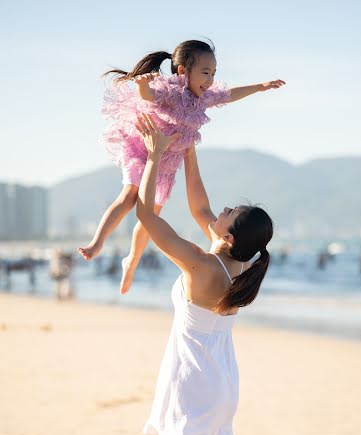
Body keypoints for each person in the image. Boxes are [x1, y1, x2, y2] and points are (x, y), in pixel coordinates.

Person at [134, 115, 273, 435]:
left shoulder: (201, 263)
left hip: (191, 384)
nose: (220, 210)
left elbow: (148, 219)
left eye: (227, 213)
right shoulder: (239, 265)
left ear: (227, 234)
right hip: (223, 385)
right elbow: (200, 203)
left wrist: (153, 158)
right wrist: (188, 148)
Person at [77, 39, 284, 295]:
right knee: (130, 196)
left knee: (151, 215)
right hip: (145, 151)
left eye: (214, 73)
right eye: (205, 73)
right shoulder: (172, 90)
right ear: (183, 72)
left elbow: (230, 95)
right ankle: (97, 243)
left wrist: (260, 87)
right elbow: (150, 95)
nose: (210, 80)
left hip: (166, 162)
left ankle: (132, 259)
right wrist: (142, 86)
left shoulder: (205, 97)